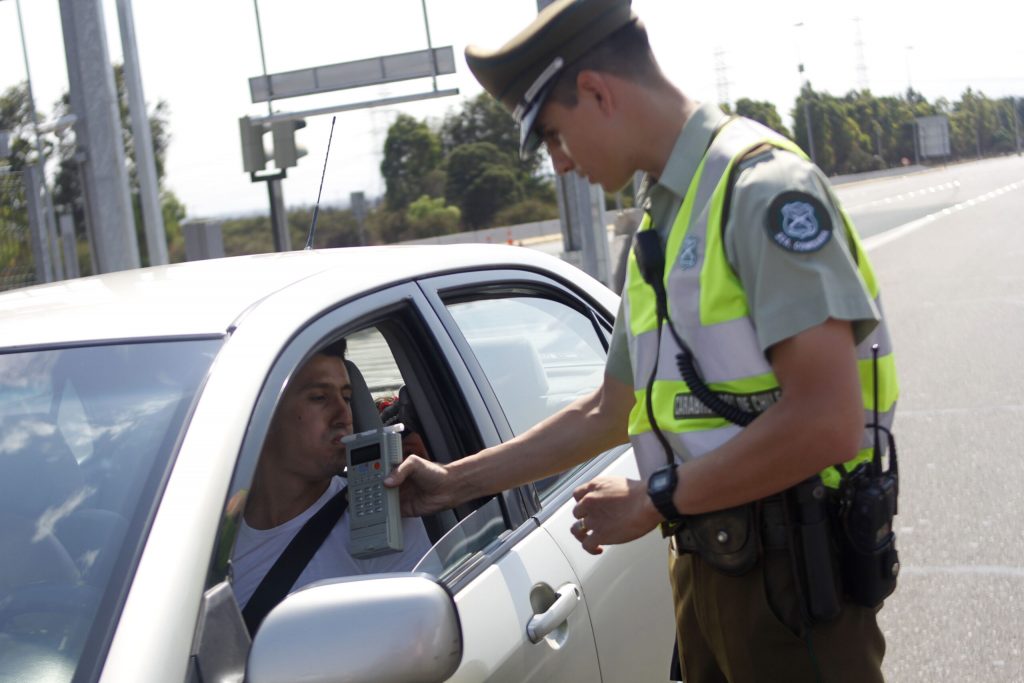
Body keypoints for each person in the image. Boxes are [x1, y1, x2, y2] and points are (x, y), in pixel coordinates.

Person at [385, 1, 899, 681]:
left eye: (556, 138)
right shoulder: (664, 215)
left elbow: (828, 419)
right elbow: (609, 410)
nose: (562, 166)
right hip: (708, 571)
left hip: (793, 583)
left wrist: (655, 498)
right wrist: (453, 482)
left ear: (598, 92)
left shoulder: (760, 190)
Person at [231, 339, 432, 630]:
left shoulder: (383, 522)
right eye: (319, 398)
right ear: (262, 414)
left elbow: (419, 638)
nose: (343, 416)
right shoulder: (206, 534)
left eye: (347, 398)